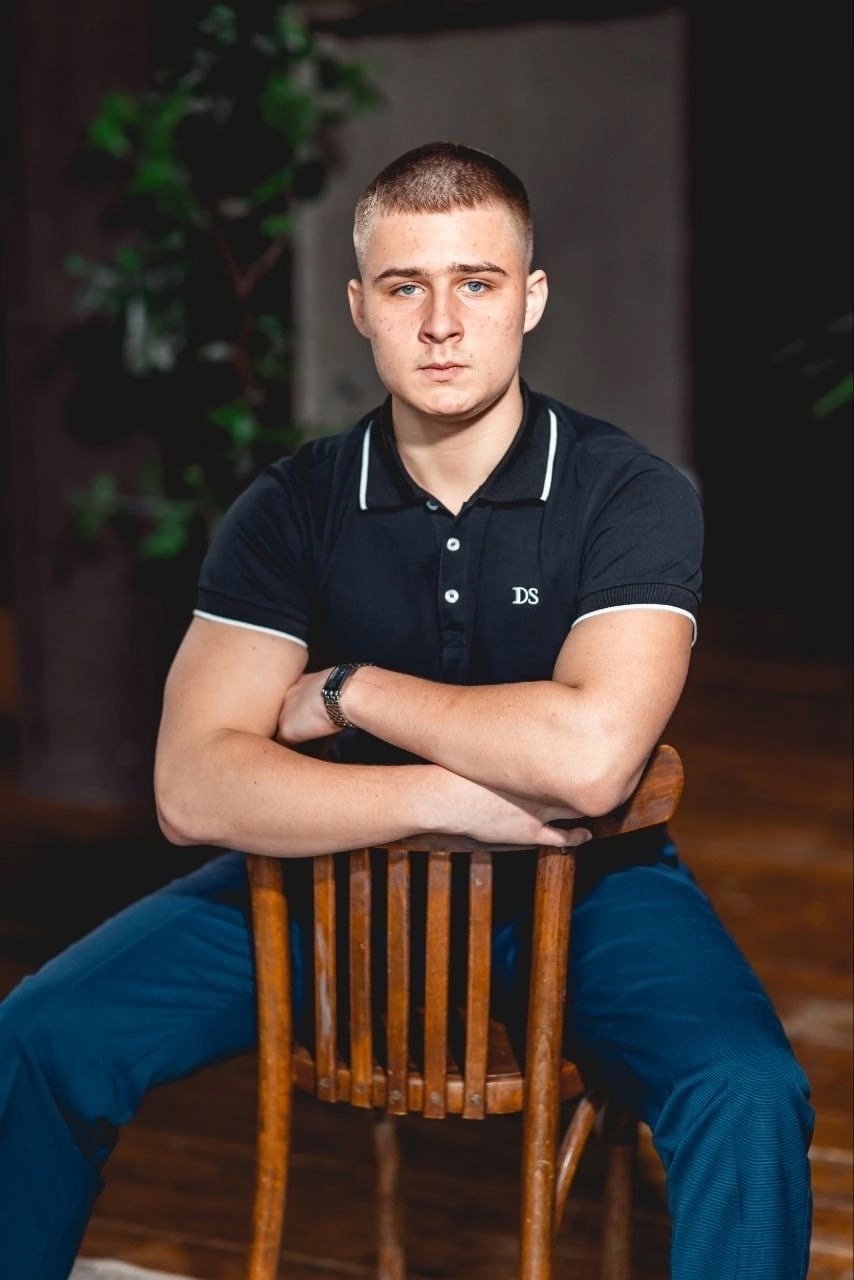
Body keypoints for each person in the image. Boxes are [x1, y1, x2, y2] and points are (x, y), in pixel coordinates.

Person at [0, 142, 813, 1280]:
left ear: (529, 298)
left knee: (748, 1091)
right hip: (325, 884)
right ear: (360, 308)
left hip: (581, 885)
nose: (440, 324)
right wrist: (451, 799)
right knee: (41, 1034)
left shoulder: (626, 493)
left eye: (476, 282)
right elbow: (190, 786)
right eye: (403, 286)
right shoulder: (292, 506)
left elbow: (587, 761)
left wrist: (352, 690)